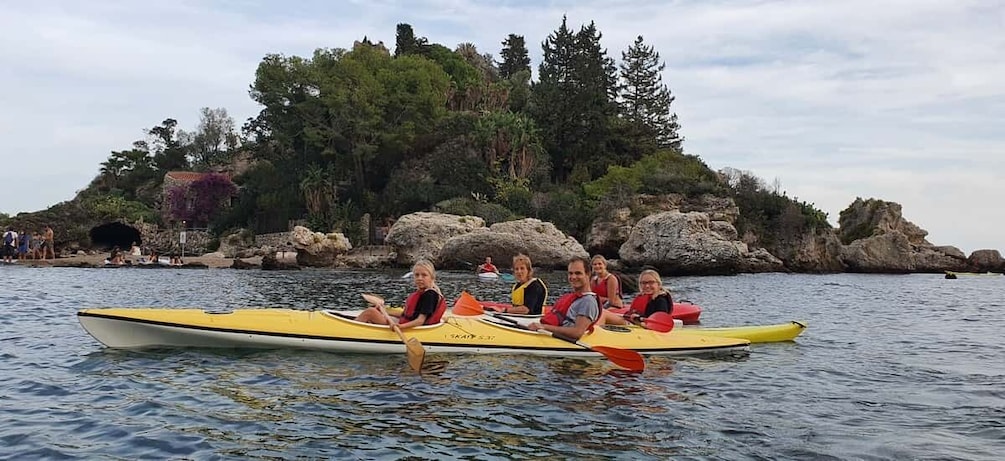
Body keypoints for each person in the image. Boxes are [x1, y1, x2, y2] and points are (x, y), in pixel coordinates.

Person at [356, 259, 447, 329]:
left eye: (424, 275)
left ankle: (351, 330)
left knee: (370, 312)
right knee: (375, 311)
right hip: (404, 322)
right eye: (416, 275)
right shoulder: (423, 293)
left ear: (431, 277)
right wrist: (385, 311)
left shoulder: (430, 295)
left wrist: (401, 327)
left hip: (412, 327)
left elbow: (420, 321)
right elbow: (406, 314)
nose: (419, 278)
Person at [527, 257, 600, 340]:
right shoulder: (573, 297)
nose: (573, 277)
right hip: (550, 335)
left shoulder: (588, 301)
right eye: (570, 273)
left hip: (562, 341)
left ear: (588, 274)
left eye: (578, 273)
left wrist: (544, 327)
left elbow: (577, 332)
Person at [602, 269, 673, 326]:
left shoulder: (661, 300)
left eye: (651, 282)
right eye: (644, 283)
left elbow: (658, 324)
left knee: (603, 313)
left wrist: (638, 321)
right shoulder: (644, 297)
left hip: (639, 327)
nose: (647, 286)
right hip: (634, 324)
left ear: (658, 284)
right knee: (603, 312)